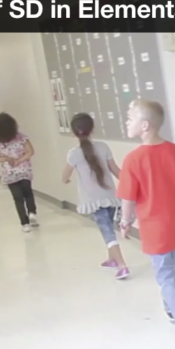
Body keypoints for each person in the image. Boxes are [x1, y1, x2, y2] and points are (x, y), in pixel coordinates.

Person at [116, 99, 175, 348]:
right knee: (173, 268)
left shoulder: (133, 159)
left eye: (130, 118)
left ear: (145, 125)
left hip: (153, 228)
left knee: (165, 275)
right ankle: (172, 307)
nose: (127, 122)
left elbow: (127, 197)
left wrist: (125, 221)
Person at [62, 112, 129, 280]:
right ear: (93, 129)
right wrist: (130, 184)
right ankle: (112, 259)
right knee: (108, 227)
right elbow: (115, 170)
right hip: (110, 196)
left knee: (107, 232)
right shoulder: (103, 147)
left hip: (94, 201)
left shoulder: (74, 153)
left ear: (74, 132)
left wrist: (67, 180)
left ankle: (122, 265)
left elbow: (65, 176)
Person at [0, 113, 38, 232]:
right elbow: (30, 151)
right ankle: (32, 213)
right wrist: (20, 160)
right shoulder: (21, 137)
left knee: (17, 198)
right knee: (28, 194)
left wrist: (5, 158)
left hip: (9, 173)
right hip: (24, 170)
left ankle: (25, 224)